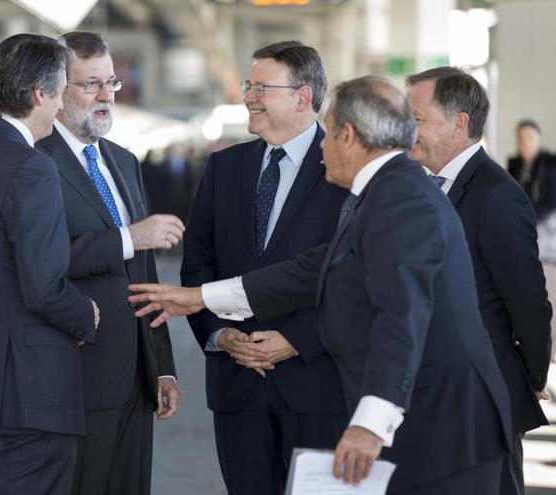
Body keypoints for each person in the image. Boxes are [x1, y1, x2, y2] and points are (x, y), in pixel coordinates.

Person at [129, 76, 513, 494]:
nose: (320, 148)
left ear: (348, 136)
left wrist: (369, 424)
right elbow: (311, 270)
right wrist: (199, 297)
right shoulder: (381, 191)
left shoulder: (401, 199)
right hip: (428, 424)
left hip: (444, 431)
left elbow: (402, 316)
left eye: (328, 133)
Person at [180, 41, 347, 494]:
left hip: (319, 385)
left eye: (260, 87)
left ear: (302, 96)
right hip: (239, 387)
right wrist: (220, 335)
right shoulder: (222, 168)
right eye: (248, 86)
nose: (248, 96)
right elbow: (198, 266)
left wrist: (297, 341)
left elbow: (355, 276)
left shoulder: (345, 168)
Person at [0, 34, 100, 495]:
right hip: (33, 390)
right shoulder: (32, 166)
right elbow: (44, 286)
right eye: (62, 90)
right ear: (39, 95)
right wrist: (84, 313)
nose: (63, 103)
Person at [35, 31, 180, 495]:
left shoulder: (123, 160)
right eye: (89, 84)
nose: (105, 96)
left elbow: (145, 272)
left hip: (135, 378)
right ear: (57, 92)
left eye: (111, 83)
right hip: (76, 376)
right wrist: (127, 237)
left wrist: (162, 365)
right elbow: (41, 261)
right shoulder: (34, 163)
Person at [406, 67, 552, 495]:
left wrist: (528, 380)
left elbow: (527, 302)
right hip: (432, 397)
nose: (404, 130)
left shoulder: (497, 195)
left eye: (415, 119)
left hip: (485, 399)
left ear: (459, 122)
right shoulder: (417, 184)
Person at [507, 119, 556, 221]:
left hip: (544, 221)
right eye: (520, 138)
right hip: (519, 218)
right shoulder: (513, 165)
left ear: (540, 139)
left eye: (530, 137)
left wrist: (528, 217)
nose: (525, 142)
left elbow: (552, 201)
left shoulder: (550, 164)